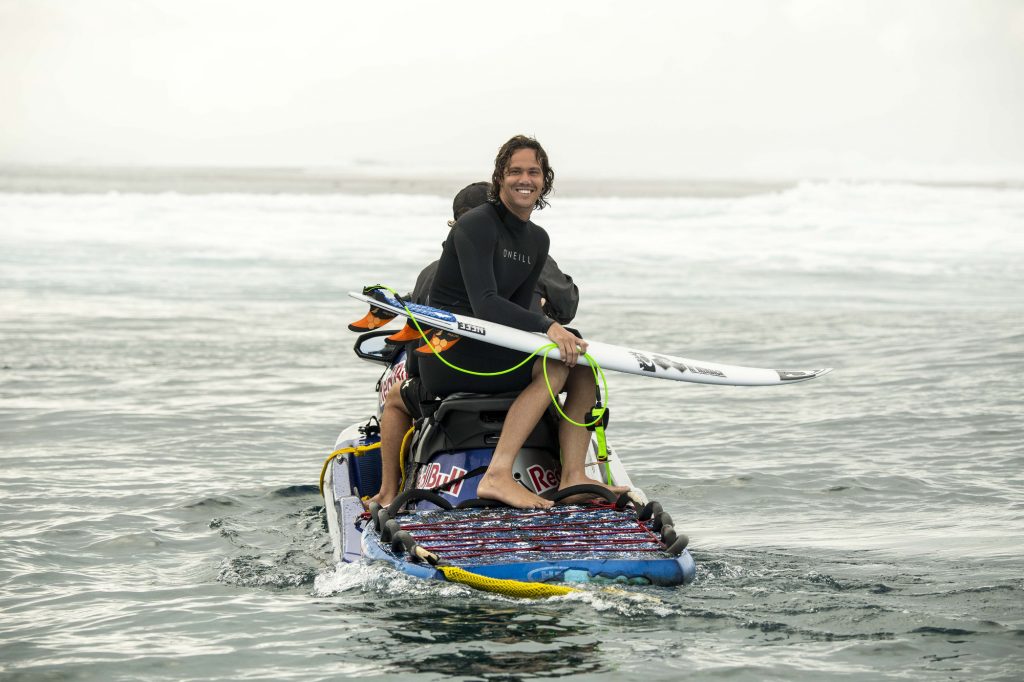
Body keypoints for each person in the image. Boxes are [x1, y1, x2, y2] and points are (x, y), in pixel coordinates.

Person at [418, 135, 628, 509]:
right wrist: (549, 328)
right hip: (449, 353)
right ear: (500, 177)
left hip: (489, 348)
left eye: (533, 171)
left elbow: (517, 309)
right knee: (552, 362)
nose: (524, 179)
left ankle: (573, 476)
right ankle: (497, 476)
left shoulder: (537, 239)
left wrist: (564, 335)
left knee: (579, 365)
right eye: (515, 171)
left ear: (545, 179)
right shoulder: (476, 226)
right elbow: (485, 305)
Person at [367, 180, 579, 507]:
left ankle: (387, 492)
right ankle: (573, 474)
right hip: (515, 380)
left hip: (449, 385)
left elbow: (417, 354)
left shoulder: (431, 275)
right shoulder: (529, 261)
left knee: (397, 398)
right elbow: (567, 306)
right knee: (566, 375)